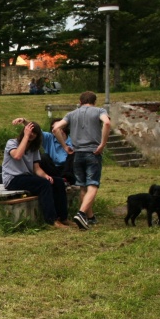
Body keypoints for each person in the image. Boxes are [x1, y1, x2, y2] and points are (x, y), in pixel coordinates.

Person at [53, 91, 110, 229]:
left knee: (83, 186)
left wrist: (65, 146)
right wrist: (102, 144)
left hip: (77, 154)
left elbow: (56, 128)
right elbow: (107, 123)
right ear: (95, 102)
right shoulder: (99, 111)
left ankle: (90, 218)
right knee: (93, 185)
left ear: (80, 101)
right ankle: (81, 213)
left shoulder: (72, 114)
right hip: (93, 153)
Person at [3, 121, 69, 229]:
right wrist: (26, 136)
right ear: (24, 132)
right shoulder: (11, 143)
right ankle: (51, 220)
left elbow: (37, 169)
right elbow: (17, 156)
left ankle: (63, 218)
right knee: (43, 185)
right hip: (12, 179)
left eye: (35, 133)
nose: (32, 134)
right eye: (30, 132)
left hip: (27, 177)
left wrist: (46, 176)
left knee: (58, 182)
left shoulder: (34, 149)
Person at [12, 117, 75, 185]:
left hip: (67, 169)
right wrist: (24, 121)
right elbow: (37, 131)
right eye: (53, 128)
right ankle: (57, 180)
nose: (55, 130)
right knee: (43, 157)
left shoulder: (73, 141)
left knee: (74, 154)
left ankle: (66, 180)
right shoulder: (49, 138)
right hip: (53, 168)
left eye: (58, 127)